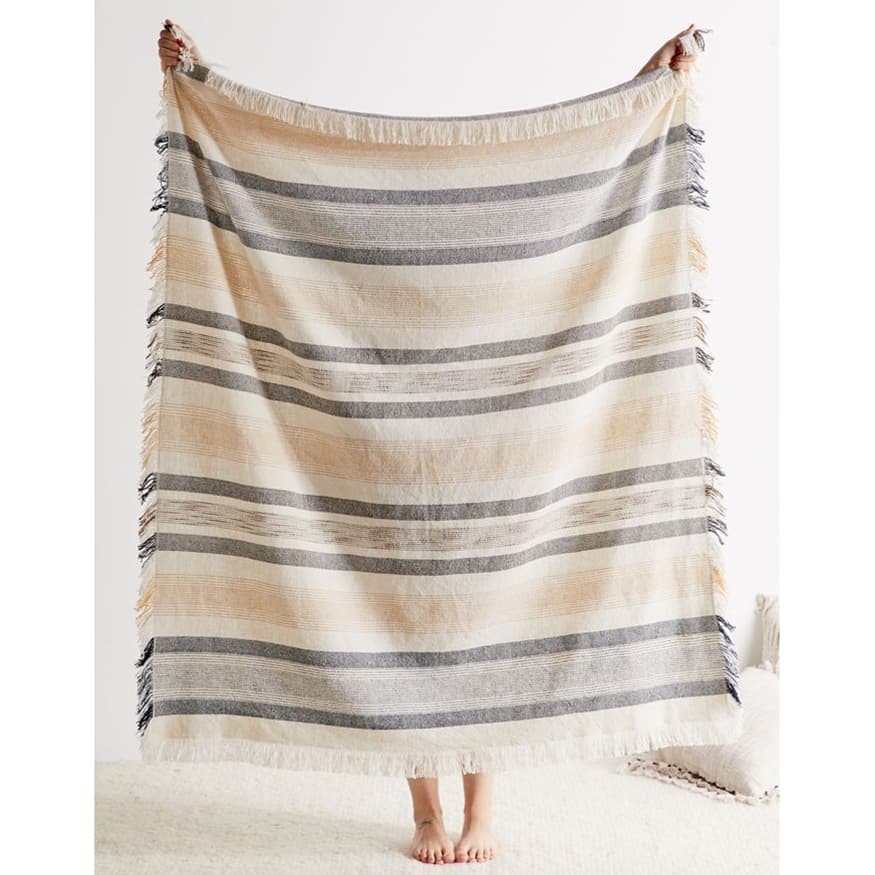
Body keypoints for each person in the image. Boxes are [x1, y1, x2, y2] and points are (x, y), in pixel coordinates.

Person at [155, 19, 700, 865]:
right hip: (378, 443)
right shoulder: (361, 228)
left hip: (497, 448)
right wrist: (197, 79)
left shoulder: (511, 206)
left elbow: (592, 155)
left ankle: (480, 810)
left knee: (488, 616)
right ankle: (423, 812)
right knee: (394, 613)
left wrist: (648, 82)